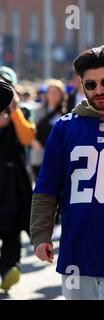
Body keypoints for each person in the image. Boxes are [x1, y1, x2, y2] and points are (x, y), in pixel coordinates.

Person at [30, 45, 104, 300]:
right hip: (75, 252)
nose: (99, 90)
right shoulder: (65, 127)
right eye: (90, 85)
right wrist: (40, 234)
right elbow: (47, 186)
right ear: (81, 84)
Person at [0, 70, 35, 293]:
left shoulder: (22, 111)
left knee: (13, 224)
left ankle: (9, 267)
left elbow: (27, 138)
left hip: (14, 178)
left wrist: (13, 113)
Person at [30, 79, 67, 179]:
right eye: (51, 92)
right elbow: (31, 129)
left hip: (57, 156)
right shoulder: (38, 111)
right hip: (39, 154)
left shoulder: (66, 113)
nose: (53, 95)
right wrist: (33, 140)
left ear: (61, 95)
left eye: (56, 92)